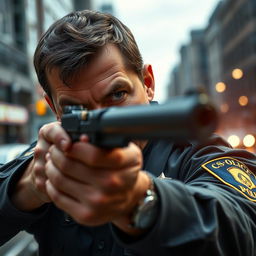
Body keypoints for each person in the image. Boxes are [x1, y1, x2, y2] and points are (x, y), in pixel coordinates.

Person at [0, 10, 255, 256]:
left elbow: (242, 227)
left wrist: (139, 201)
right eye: (77, 109)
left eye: (117, 94)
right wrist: (29, 186)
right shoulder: (50, 157)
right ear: (54, 108)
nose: (102, 118)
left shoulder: (194, 152)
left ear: (148, 83)